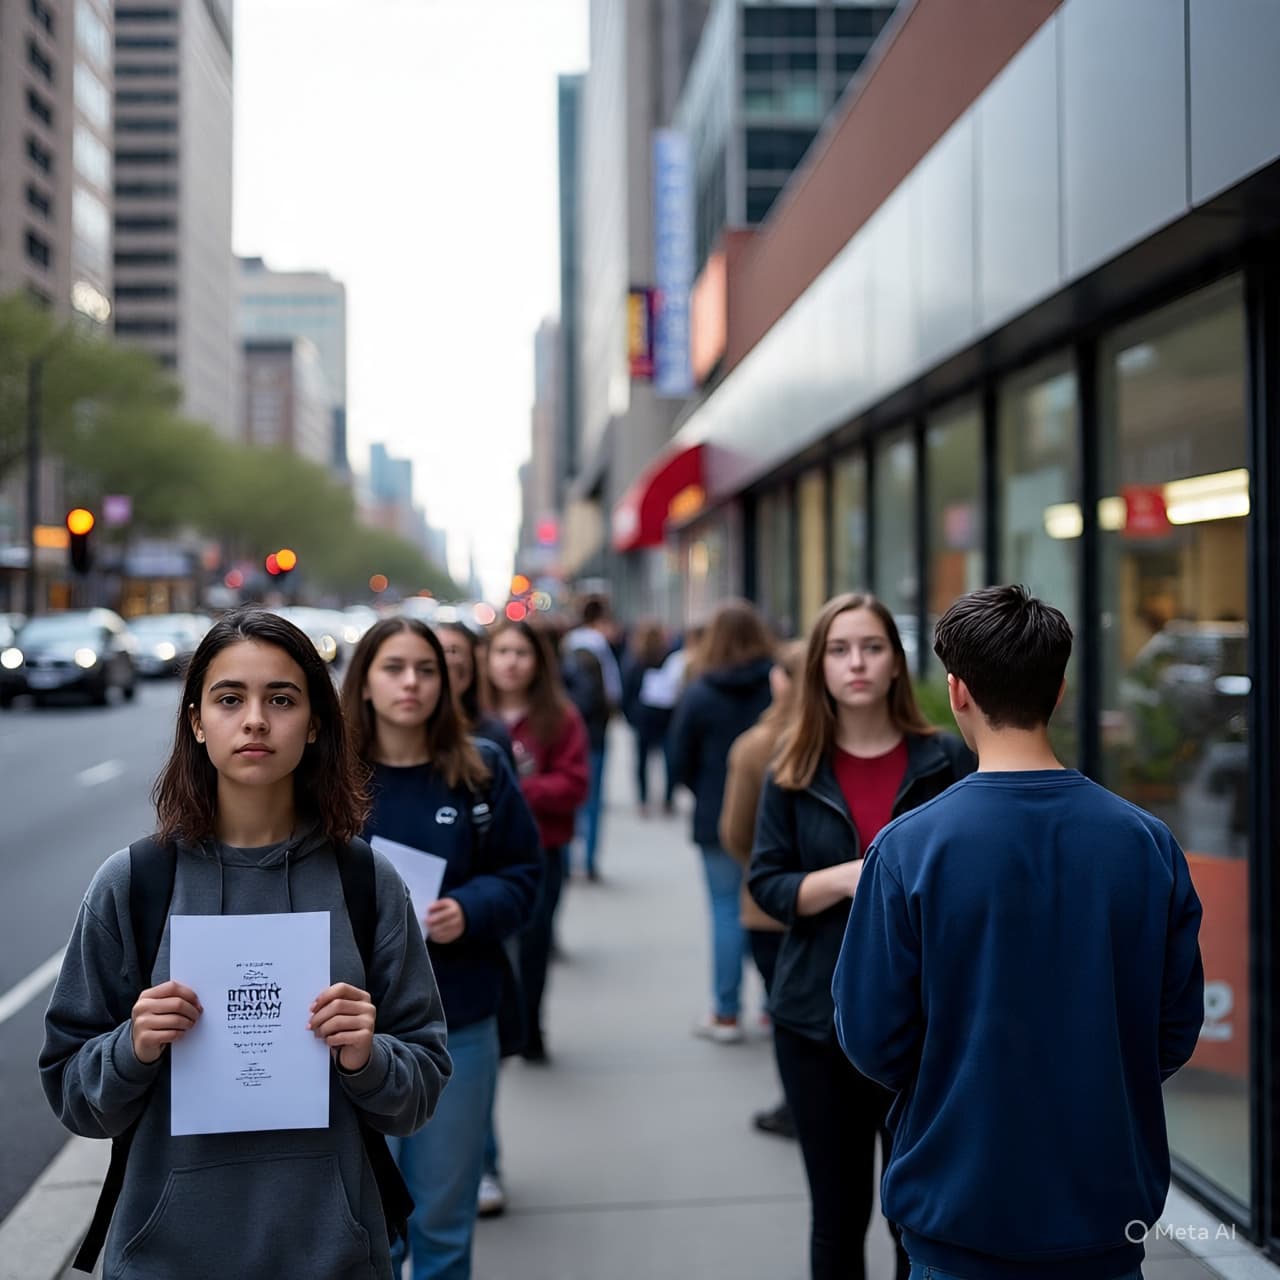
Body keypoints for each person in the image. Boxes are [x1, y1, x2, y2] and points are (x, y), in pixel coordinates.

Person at [40, 607, 452, 1280]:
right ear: (198, 722)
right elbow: (72, 1092)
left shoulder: (365, 882)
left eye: (281, 699)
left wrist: (367, 1056)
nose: (255, 719)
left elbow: (421, 1088)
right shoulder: (134, 884)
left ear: (315, 722)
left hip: (333, 1255)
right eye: (230, 699)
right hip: (165, 1258)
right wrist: (133, 1045)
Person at [834, 585, 1205, 1280]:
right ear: (1059, 692)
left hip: (959, 1211)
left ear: (958, 693)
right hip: (1103, 1217)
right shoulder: (1145, 844)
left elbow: (870, 1033)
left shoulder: (909, 849)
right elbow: (1173, 1029)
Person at [748, 593, 973, 1280]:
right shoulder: (792, 767)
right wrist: (850, 878)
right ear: (819, 667)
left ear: (897, 663)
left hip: (928, 1022)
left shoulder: (945, 761)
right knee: (837, 1218)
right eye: (840, 650)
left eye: (872, 647)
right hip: (818, 1019)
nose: (857, 664)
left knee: (918, 1218)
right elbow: (768, 884)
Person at [342, 617, 541, 1280]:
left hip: (460, 1019)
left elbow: (525, 875)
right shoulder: (327, 782)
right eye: (393, 667)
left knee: (443, 1229)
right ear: (364, 682)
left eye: (426, 670)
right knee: (368, 1231)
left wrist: (471, 909)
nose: (411, 683)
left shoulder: (480, 772)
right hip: (350, 1030)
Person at [668, 600, 774, 1042]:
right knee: (773, 908)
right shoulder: (777, 683)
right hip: (775, 815)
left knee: (726, 910)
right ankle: (774, 1007)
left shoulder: (700, 691)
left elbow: (678, 760)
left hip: (716, 816)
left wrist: (707, 792)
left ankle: (727, 1014)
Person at [485, 617, 589, 1062]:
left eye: (521, 653)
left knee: (534, 942)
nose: (511, 663)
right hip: (483, 853)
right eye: (502, 652)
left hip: (543, 850)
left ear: (538, 662)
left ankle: (530, 1026)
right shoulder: (471, 717)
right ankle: (496, 1025)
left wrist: (515, 789)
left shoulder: (560, 717)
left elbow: (575, 785)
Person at [718, 637, 806, 1138]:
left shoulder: (757, 745)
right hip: (813, 906)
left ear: (782, 681)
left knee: (787, 1012)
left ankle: (798, 1104)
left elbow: (735, 832)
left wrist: (765, 868)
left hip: (768, 909)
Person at [562, 597, 621, 880]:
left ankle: (570, 859)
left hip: (569, 735)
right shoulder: (598, 646)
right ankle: (588, 860)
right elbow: (612, 690)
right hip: (594, 735)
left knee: (571, 800)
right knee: (593, 799)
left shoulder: (567, 645)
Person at [435, 619, 514, 768]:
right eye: (439, 651)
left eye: (454, 651)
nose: (447, 661)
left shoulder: (492, 737)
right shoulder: (412, 733)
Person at [621, 618, 675, 816]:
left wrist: (630, 717)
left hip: (643, 718)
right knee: (668, 759)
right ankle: (668, 799)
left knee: (642, 761)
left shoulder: (635, 661)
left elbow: (626, 693)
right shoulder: (667, 659)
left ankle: (643, 800)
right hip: (665, 718)